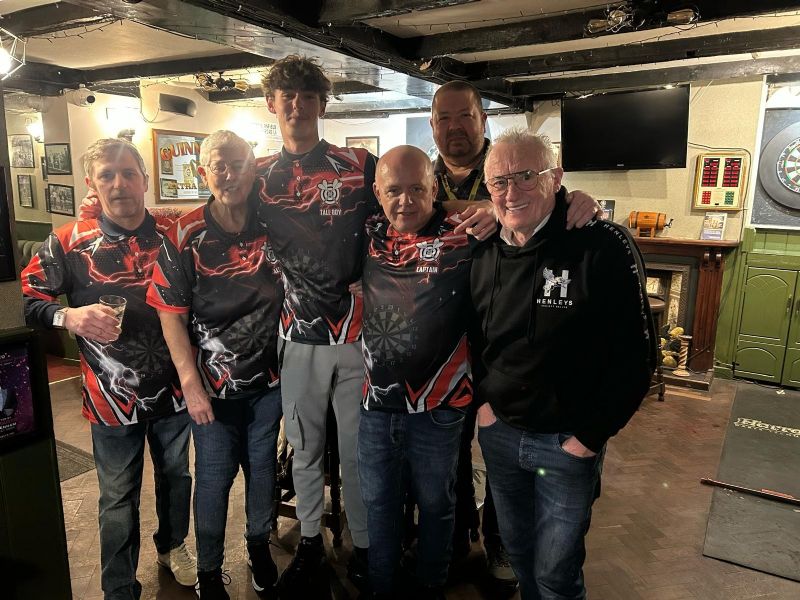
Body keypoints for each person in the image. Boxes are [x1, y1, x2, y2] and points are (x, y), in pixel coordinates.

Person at [470, 128, 656, 599]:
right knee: (518, 554)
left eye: (526, 176)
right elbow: (474, 337)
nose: (511, 192)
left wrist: (589, 438)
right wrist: (484, 407)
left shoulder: (601, 244)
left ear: (556, 178)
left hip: (566, 444)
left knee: (557, 572)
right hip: (502, 434)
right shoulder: (484, 248)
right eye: (498, 181)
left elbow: (637, 358)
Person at [429, 79, 602, 585]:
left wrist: (581, 199)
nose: (454, 127)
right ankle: (461, 533)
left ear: (483, 119)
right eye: (444, 118)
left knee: (508, 465)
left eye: (465, 116)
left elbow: (549, 197)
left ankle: (501, 542)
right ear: (433, 124)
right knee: (453, 457)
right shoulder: (422, 176)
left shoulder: (509, 167)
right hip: (442, 350)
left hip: (505, 350)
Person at [21, 138, 196, 600]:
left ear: (144, 178)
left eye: (128, 173)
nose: (119, 184)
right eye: (107, 175)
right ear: (92, 185)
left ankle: (173, 547)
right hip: (109, 398)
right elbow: (30, 301)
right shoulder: (67, 241)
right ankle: (119, 587)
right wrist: (68, 317)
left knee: (177, 479)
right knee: (117, 499)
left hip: (175, 391)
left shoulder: (173, 233)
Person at [254, 54, 377, 597]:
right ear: (271, 104)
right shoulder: (256, 175)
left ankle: (367, 547)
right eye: (289, 96)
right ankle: (309, 546)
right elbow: (211, 219)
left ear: (322, 105)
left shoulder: (360, 165)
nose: (298, 106)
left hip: (357, 336)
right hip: (297, 335)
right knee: (303, 448)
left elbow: (404, 219)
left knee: (356, 451)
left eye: (308, 97)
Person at [146, 131, 284, 599]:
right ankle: (208, 569)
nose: (229, 174)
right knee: (214, 479)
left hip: (269, 381)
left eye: (239, 163)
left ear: (253, 169)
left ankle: (258, 546)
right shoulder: (185, 233)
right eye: (218, 166)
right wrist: (191, 385)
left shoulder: (272, 222)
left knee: (263, 473)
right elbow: (169, 312)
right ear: (204, 172)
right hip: (211, 389)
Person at [359, 145, 476, 599]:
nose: (404, 201)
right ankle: (382, 586)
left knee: (436, 503)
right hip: (375, 405)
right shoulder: (366, 231)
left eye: (416, 190)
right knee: (378, 504)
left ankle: (431, 583)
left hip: (441, 405)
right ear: (377, 193)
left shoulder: (464, 233)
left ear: (434, 190)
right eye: (393, 191)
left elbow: (516, 210)